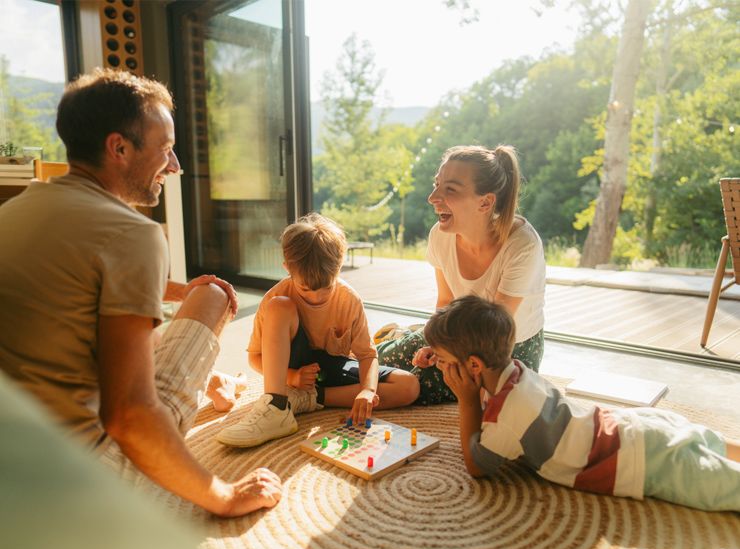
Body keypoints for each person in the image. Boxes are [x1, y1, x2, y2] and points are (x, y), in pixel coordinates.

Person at [0, 69, 281, 517]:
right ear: (120, 148)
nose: (175, 166)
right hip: (82, 482)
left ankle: (210, 382)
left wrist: (172, 290)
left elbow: (81, 278)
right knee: (211, 295)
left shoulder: (14, 212)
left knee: (165, 310)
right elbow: (128, 417)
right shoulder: (133, 235)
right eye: (166, 150)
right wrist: (224, 497)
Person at [425, 295, 740, 512]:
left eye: (443, 360)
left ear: (475, 366)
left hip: (635, 461)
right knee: (706, 442)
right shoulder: (516, 373)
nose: (440, 366)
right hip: (632, 427)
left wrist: (466, 400)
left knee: (726, 488)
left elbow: (477, 466)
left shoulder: (507, 416)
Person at [216, 213, 420, 448]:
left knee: (409, 386)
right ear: (287, 269)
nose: (317, 297)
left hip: (332, 368)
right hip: (291, 369)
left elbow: (367, 355)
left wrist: (366, 390)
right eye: (305, 289)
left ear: (339, 266)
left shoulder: (349, 299)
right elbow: (255, 357)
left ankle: (310, 400)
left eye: (326, 287)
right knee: (279, 307)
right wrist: (291, 377)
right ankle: (276, 405)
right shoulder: (275, 298)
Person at [378, 145, 546, 405]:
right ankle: (392, 342)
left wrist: (444, 354)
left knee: (413, 384)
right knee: (378, 359)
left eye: (450, 189)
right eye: (437, 185)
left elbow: (493, 332)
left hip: (502, 350)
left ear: (486, 202)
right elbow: (445, 302)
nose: (433, 197)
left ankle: (322, 394)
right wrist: (435, 344)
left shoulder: (522, 245)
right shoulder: (440, 235)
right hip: (457, 333)